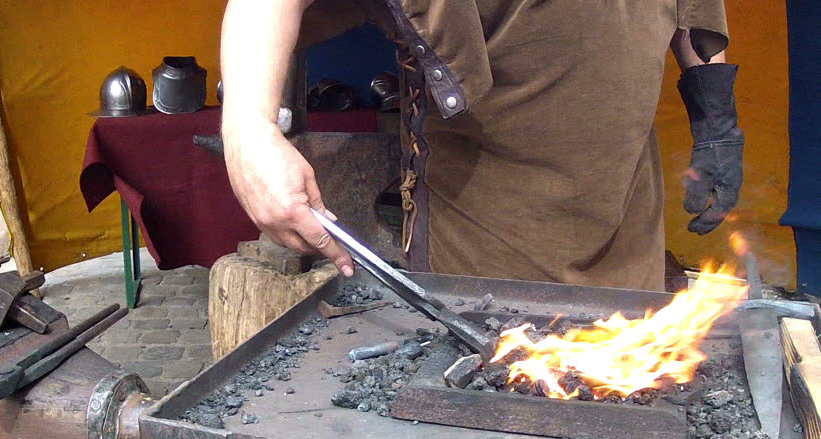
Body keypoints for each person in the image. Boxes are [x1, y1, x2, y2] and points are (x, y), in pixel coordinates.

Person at [220, 0, 744, 291]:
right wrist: (248, 131)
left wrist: (717, 121)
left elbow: (689, 11)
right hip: (487, 225)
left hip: (626, 207)